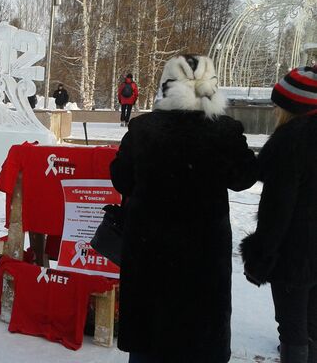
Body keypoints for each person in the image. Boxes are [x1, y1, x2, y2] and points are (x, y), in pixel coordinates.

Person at [110, 55, 257, 363]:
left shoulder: (143, 129)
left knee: (149, 344)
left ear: (167, 88)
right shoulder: (225, 130)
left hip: (150, 254)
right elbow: (244, 178)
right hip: (203, 258)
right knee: (201, 341)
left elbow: (122, 179)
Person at [240, 65, 317, 363]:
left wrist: (260, 257)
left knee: (293, 328)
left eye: (278, 104)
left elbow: (277, 211)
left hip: (295, 256)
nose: (273, 111)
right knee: (312, 325)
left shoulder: (290, 143)